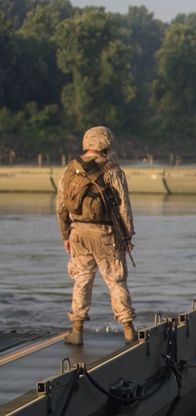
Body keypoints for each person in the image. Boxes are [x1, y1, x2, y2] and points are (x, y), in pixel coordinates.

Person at [55, 126, 137, 345]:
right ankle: (129, 330)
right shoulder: (113, 170)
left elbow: (61, 206)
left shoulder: (70, 169)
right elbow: (124, 207)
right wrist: (127, 236)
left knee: (81, 280)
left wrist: (66, 235)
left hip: (77, 233)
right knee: (116, 281)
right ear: (106, 145)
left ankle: (77, 330)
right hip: (106, 235)